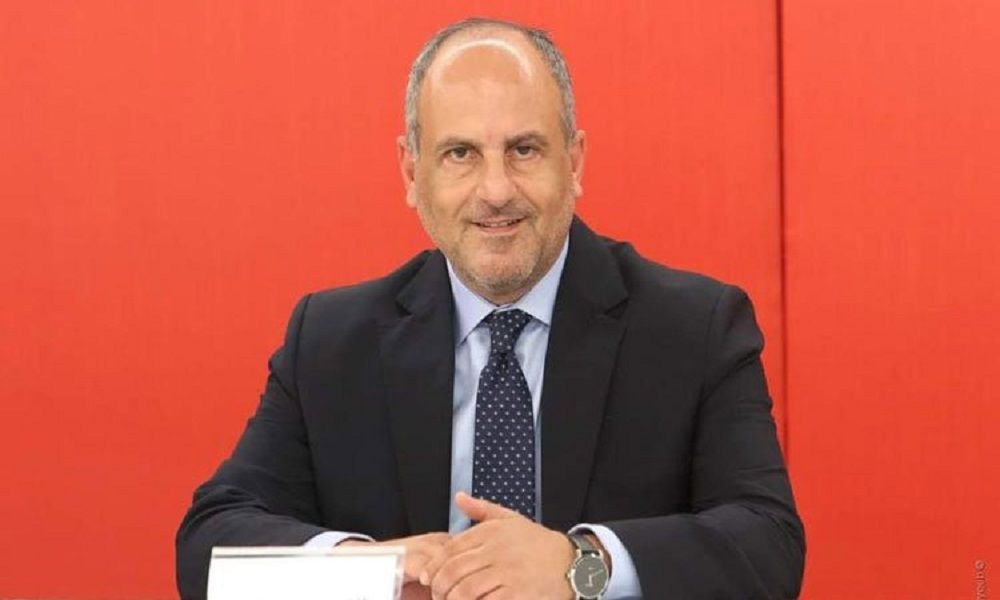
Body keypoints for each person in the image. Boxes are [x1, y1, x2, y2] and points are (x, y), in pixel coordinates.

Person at [176, 17, 805, 600]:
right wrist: (369, 569)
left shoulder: (694, 329)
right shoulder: (330, 341)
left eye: (524, 149)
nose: (497, 190)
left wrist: (582, 564)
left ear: (575, 162)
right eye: (461, 154)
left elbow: (768, 544)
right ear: (411, 172)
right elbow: (209, 547)